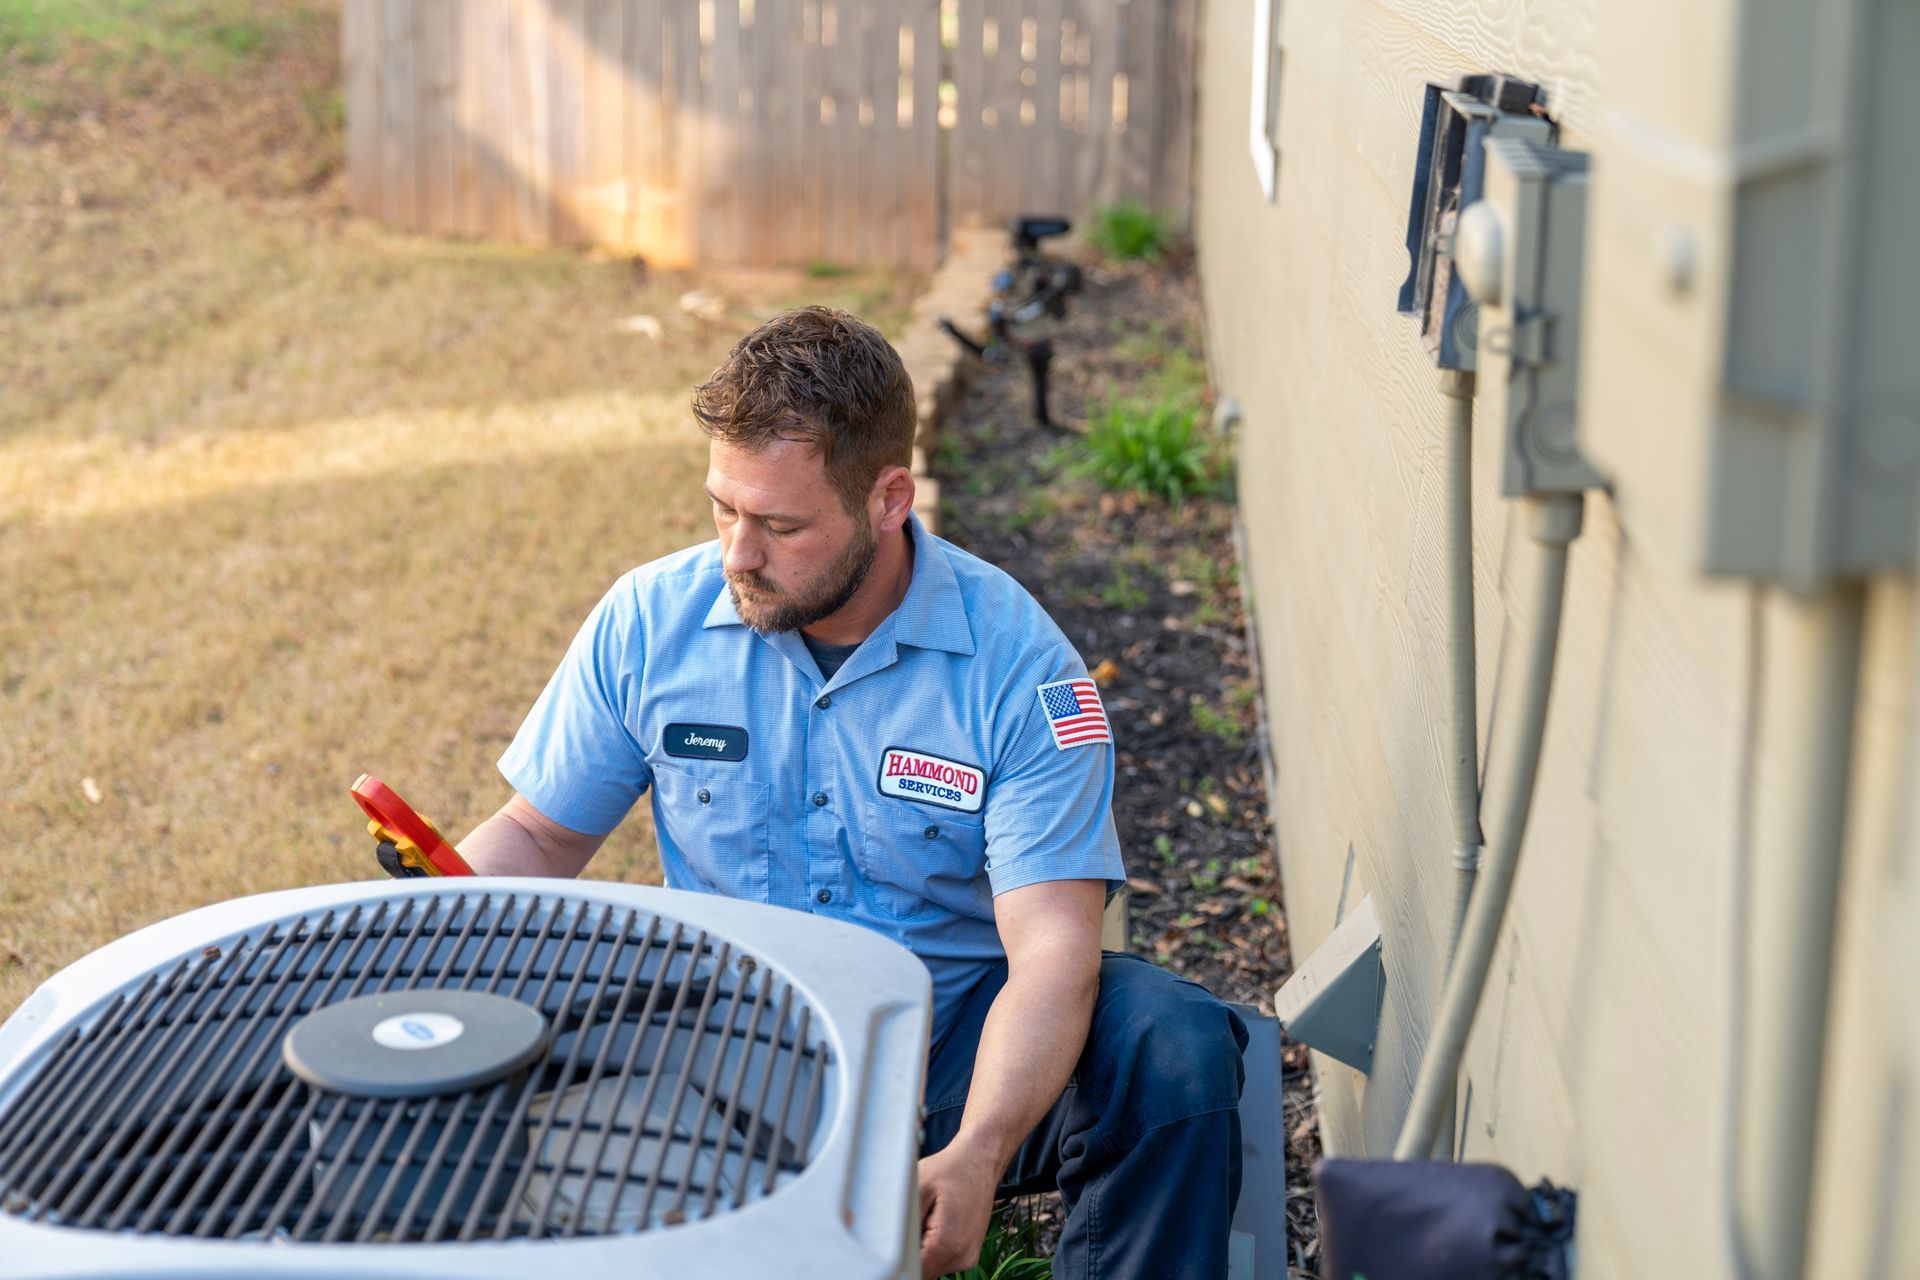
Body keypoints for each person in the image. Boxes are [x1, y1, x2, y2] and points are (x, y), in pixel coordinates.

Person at [458, 305, 1248, 1277]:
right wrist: (427, 909)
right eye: (723, 508)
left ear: (888, 500)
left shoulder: (1019, 670)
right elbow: (536, 839)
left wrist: (980, 1148)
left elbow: (1051, 951)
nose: (738, 555)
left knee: (1167, 1048)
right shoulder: (649, 625)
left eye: (780, 524)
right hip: (727, 1049)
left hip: (949, 1043)